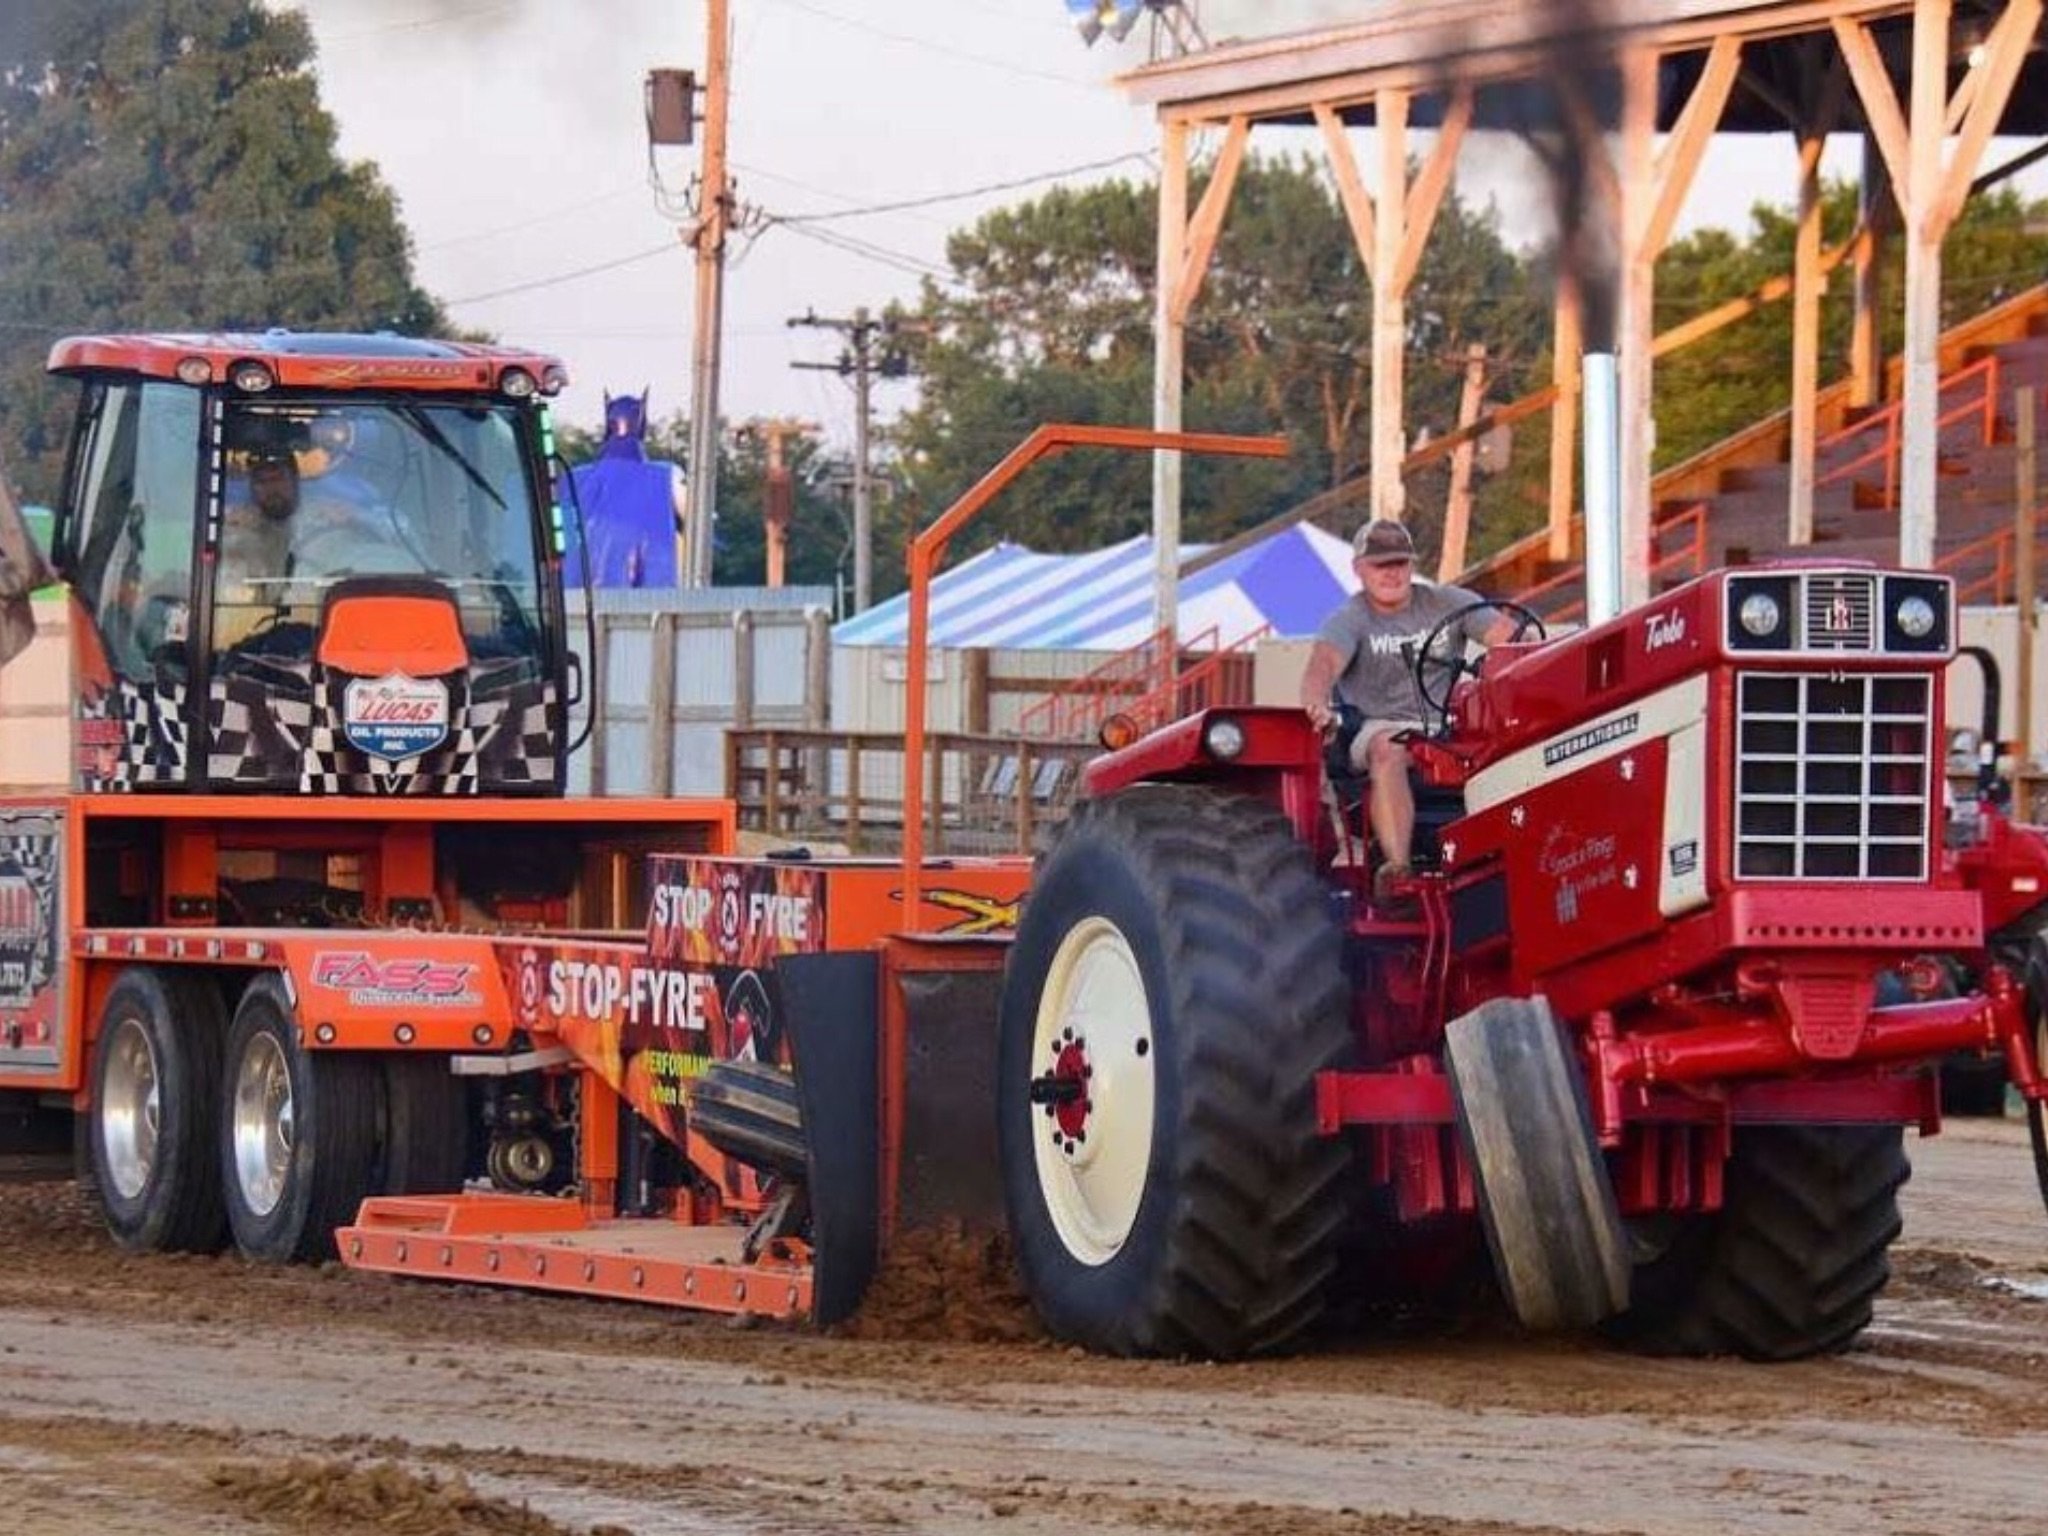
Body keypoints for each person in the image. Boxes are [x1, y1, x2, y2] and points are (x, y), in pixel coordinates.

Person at [1298, 518, 1521, 905]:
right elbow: (1323, 665)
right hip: (1376, 726)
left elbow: (1511, 638)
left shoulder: (1448, 602)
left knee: (1511, 741)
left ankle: (1516, 858)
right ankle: (1399, 869)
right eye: (1380, 565)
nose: (1391, 573)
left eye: (1399, 563)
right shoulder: (1350, 620)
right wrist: (1316, 704)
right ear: (1359, 569)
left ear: (1412, 564)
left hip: (1443, 728)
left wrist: (1521, 646)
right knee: (1389, 747)